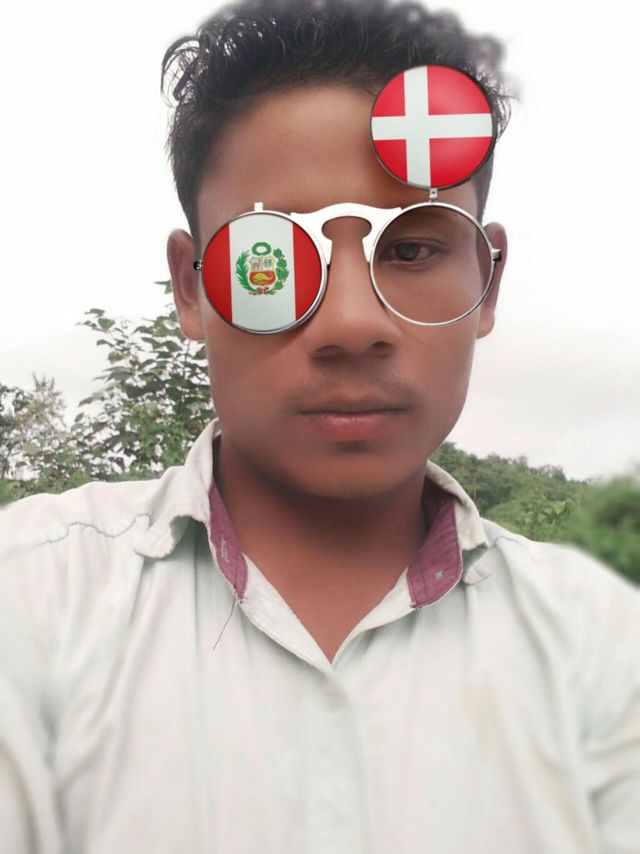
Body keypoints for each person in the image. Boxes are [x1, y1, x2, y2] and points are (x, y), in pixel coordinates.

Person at [1, 1, 638, 852]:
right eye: (271, 251)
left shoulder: (604, 652)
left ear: (487, 282)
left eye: (410, 250)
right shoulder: (28, 604)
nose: (349, 323)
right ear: (190, 287)